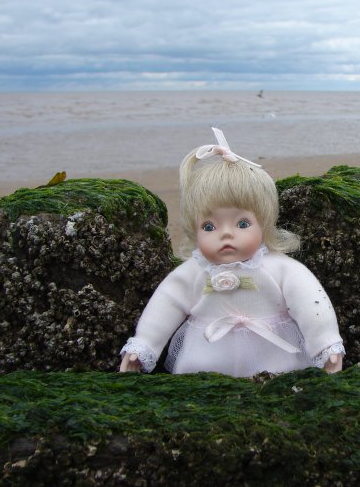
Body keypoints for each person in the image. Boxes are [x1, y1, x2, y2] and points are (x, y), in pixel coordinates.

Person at [120, 128, 345, 376]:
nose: (226, 234)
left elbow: (309, 301)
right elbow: (166, 304)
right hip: (204, 358)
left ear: (263, 223)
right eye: (209, 226)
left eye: (242, 224)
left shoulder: (280, 268)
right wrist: (144, 345)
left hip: (273, 356)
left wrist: (326, 343)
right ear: (194, 229)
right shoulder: (194, 272)